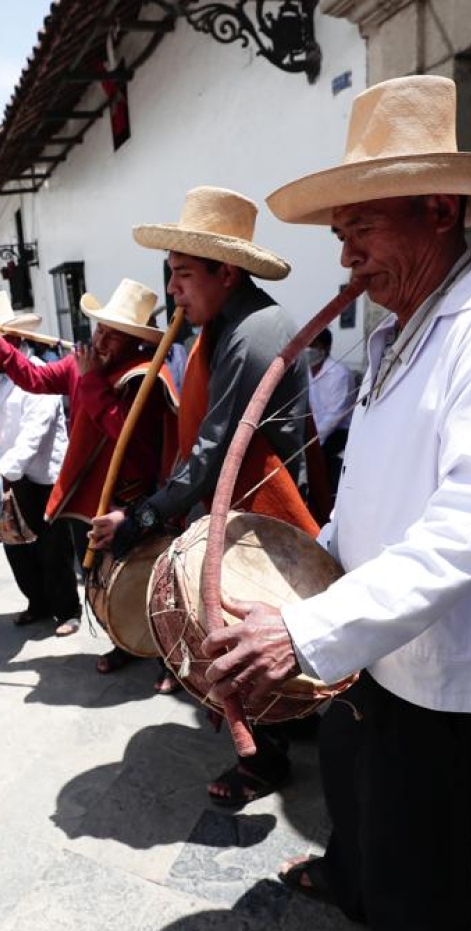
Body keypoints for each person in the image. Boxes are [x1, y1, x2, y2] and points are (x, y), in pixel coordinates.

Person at [202, 75, 471, 931]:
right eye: (340, 236)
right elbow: (372, 491)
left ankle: (398, 912)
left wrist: (304, 636)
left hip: (451, 667)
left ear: (437, 208)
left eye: (360, 230)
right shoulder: (397, 331)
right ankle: (349, 878)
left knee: (419, 856)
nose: (345, 259)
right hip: (372, 638)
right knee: (350, 784)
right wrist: (305, 574)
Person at [89, 187, 317, 808]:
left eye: (184, 275)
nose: (173, 291)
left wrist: (142, 517)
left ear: (227, 271)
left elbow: (216, 447)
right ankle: (292, 723)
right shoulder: (225, 326)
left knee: (245, 627)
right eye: (170, 276)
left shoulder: (254, 332)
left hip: (258, 507)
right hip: (231, 499)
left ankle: (268, 756)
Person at [0, 278, 179, 652]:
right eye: (100, 330)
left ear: (134, 340)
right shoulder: (82, 364)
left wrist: (91, 379)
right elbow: (33, 378)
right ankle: (121, 644)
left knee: (144, 573)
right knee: (101, 575)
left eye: (113, 335)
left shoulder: (144, 374)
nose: (101, 341)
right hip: (90, 495)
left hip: (134, 498)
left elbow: (122, 429)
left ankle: (163, 656)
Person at [0, 293, 78, 633]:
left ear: (13, 340)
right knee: (14, 544)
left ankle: (67, 610)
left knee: (52, 547)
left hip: (41, 475)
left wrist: (3, 472)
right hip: (0, 476)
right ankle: (37, 602)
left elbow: (35, 432)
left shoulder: (40, 372)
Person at [308, 328, 354, 495]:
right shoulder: (306, 371)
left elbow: (335, 415)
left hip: (338, 432)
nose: (308, 350)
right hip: (316, 431)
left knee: (322, 460)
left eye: (313, 346)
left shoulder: (340, 374)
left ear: (325, 348)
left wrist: (315, 440)